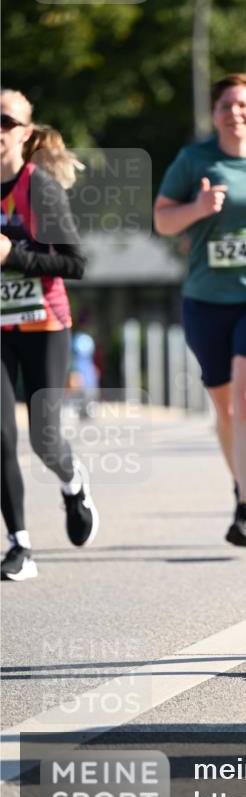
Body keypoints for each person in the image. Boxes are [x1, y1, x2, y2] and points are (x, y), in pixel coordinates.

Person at [154, 74, 246, 547]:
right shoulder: (195, 159)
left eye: (244, 105)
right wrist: (198, 207)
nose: (235, 112)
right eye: (226, 105)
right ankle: (243, 483)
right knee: (225, 408)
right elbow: (162, 218)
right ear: (215, 115)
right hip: (206, 298)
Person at [1, 89, 98, 581]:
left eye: (5, 121)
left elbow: (73, 263)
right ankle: (19, 545)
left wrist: (12, 255)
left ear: (24, 132)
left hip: (44, 325)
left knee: (43, 439)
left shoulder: (39, 189)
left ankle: (71, 480)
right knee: (0, 434)